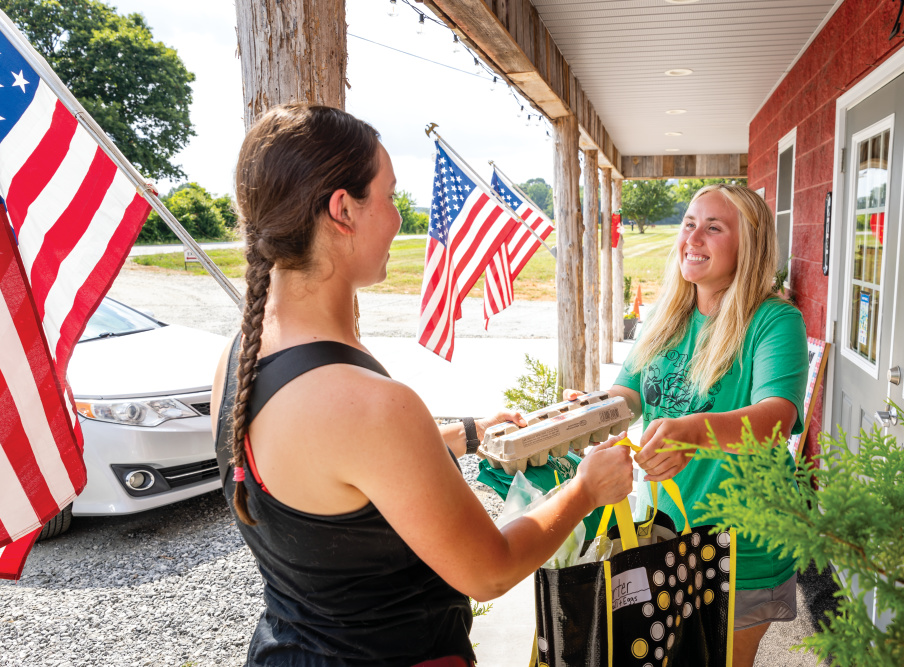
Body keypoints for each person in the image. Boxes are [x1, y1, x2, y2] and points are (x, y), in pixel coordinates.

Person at [209, 103, 634, 667]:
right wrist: (585, 489)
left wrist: (468, 435)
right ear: (343, 210)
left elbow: (335, 480)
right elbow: (489, 569)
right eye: (389, 197)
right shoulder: (371, 407)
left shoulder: (237, 359)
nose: (399, 219)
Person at [574, 184, 807, 667]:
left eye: (713, 228)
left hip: (743, 547)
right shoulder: (667, 317)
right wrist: (584, 415)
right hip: (668, 534)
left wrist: (694, 431)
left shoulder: (774, 321)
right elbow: (627, 397)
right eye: (689, 224)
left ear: (748, 245)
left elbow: (775, 420)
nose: (693, 238)